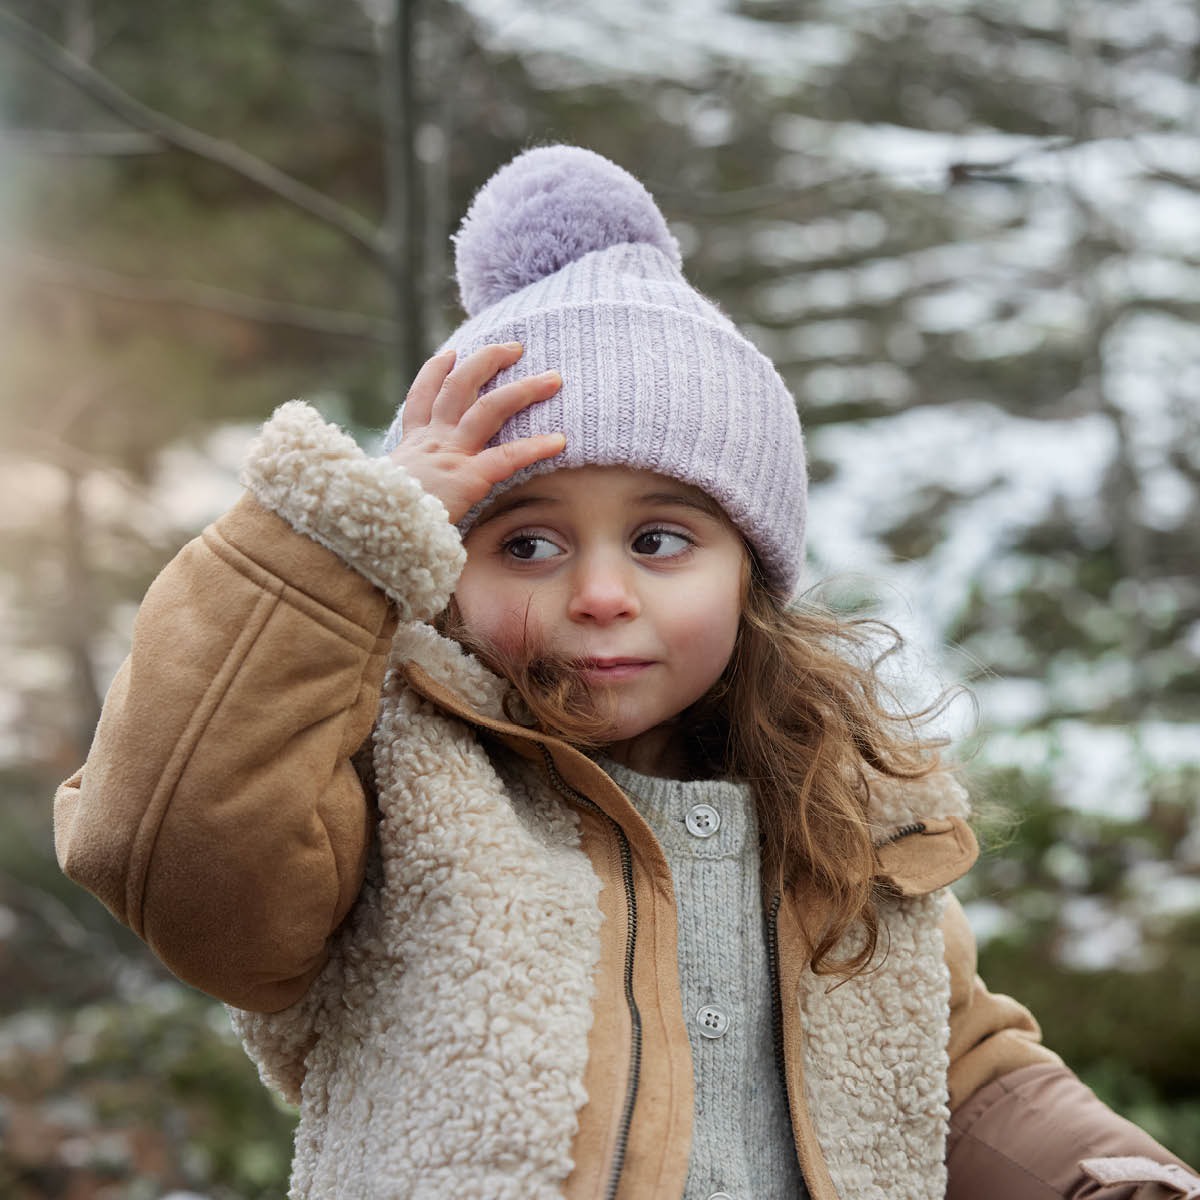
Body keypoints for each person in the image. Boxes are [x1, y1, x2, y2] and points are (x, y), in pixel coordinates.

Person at [54, 145, 1198, 1200]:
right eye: (527, 545)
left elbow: (964, 1074)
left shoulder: (839, 812)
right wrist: (327, 548)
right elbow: (171, 849)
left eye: (659, 540)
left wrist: (1105, 1180)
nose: (600, 593)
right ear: (441, 571)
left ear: (748, 577)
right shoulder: (383, 788)